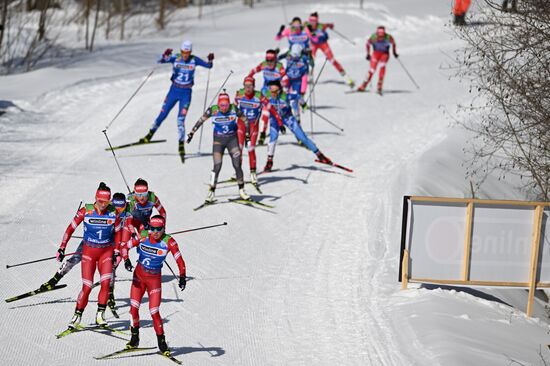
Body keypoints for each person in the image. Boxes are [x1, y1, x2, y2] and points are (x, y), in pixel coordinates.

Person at [41, 192, 129, 314]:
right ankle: (55, 279)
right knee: (75, 258)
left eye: (122, 207)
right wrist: (62, 247)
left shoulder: (128, 211)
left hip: (111, 244)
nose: (119, 210)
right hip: (92, 242)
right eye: (116, 206)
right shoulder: (108, 209)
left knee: (111, 269)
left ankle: (110, 295)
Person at [56, 182, 122, 329]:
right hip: (89, 253)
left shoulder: (113, 213)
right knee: (87, 286)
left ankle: (100, 315)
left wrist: (117, 251)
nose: (103, 204)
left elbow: (118, 233)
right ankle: (77, 315)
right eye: (100, 201)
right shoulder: (86, 211)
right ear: (95, 198)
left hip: (105, 253)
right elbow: (70, 228)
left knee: (106, 284)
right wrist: (62, 247)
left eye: (106, 201)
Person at [139, 40, 214, 163]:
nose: (185, 55)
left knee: (180, 119)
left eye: (187, 52)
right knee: (162, 114)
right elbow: (159, 60)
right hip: (173, 91)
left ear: (190, 52)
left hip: (186, 93)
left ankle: (181, 145)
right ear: (181, 51)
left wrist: (210, 60)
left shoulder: (194, 60)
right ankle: (149, 135)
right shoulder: (176, 58)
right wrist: (165, 55)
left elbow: (209, 66)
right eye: (183, 52)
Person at [122, 215, 186, 356]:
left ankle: (162, 342)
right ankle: (134, 338)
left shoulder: (169, 242)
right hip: (138, 278)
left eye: (159, 229)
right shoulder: (143, 236)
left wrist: (182, 276)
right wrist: (126, 260)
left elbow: (179, 260)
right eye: (152, 228)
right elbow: (125, 247)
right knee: (133, 309)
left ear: (164, 228)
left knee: (154, 311)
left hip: (154, 281)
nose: (155, 232)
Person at [187, 92, 253, 203]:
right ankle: (211, 191)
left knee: (237, 165)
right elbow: (200, 120)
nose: (224, 108)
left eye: (226, 105)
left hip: (232, 140)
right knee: (217, 166)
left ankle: (242, 190)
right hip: (218, 141)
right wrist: (191, 133)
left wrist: (247, 135)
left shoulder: (234, 109)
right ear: (218, 104)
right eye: (221, 106)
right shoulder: (213, 110)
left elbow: (245, 120)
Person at [263, 80, 332, 172]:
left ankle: (320, 156)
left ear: (280, 90)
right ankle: (269, 162)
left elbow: (298, 96)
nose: (274, 94)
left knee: (302, 138)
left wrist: (303, 104)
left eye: (276, 91)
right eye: (272, 91)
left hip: (288, 118)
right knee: (273, 138)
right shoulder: (266, 94)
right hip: (274, 120)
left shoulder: (285, 96)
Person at [234, 76, 284, 184]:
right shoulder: (239, 94)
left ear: (254, 86)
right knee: (239, 149)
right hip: (241, 125)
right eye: (246, 86)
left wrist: (280, 123)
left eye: (250, 86)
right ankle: (238, 172)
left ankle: (253, 173)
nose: (248, 88)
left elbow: (272, 109)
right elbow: (232, 108)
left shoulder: (259, 96)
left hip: (253, 126)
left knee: (251, 149)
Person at [248, 49, 287, 145]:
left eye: (271, 60)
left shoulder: (279, 66)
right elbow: (253, 71)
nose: (269, 63)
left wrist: (283, 84)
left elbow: (285, 77)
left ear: (275, 59)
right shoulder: (263, 64)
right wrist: (249, 80)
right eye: (267, 60)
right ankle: (262, 134)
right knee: (265, 112)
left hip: (276, 93)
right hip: (265, 92)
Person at [304, 12, 354, 87]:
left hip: (323, 44)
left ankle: (346, 77)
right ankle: (308, 78)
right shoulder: (307, 25)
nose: (312, 23)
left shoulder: (321, 26)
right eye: (310, 21)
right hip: (313, 44)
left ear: (317, 21)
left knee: (332, 60)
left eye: (314, 21)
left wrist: (330, 25)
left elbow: (328, 25)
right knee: (311, 60)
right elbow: (298, 25)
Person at [357, 26, 398, 94]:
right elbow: (367, 44)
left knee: (382, 66)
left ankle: (379, 85)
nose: (381, 35)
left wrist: (394, 52)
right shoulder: (374, 37)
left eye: (382, 33)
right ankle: (364, 85)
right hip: (376, 53)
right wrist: (368, 54)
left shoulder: (388, 37)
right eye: (379, 33)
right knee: (372, 70)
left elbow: (394, 44)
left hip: (384, 54)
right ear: (377, 32)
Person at [282, 44, 309, 124]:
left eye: (296, 56)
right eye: (293, 55)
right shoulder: (288, 57)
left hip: (297, 81)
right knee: (284, 97)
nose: (294, 58)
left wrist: (309, 56)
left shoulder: (303, 59)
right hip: (288, 80)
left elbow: (308, 67)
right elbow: (278, 58)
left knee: (295, 98)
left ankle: (297, 116)